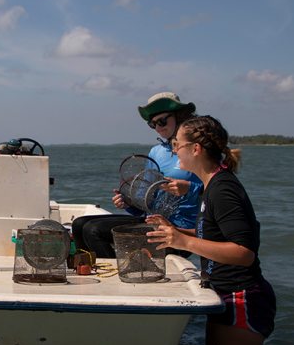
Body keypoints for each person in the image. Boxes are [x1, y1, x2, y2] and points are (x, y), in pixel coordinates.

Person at [146, 115, 276, 345]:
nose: (173, 150)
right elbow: (213, 235)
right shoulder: (211, 185)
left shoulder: (223, 189)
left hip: (242, 299)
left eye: (177, 145)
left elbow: (243, 252)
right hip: (223, 296)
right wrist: (175, 231)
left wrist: (183, 243)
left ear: (196, 149)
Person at [71, 91, 203, 258]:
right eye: (152, 124)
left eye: (162, 121)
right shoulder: (156, 152)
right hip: (152, 221)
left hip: (178, 229)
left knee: (93, 230)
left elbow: (217, 189)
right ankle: (89, 267)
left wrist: (189, 188)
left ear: (180, 116)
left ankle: (121, 273)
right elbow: (144, 205)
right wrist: (127, 203)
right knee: (79, 224)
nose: (158, 127)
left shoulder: (197, 149)